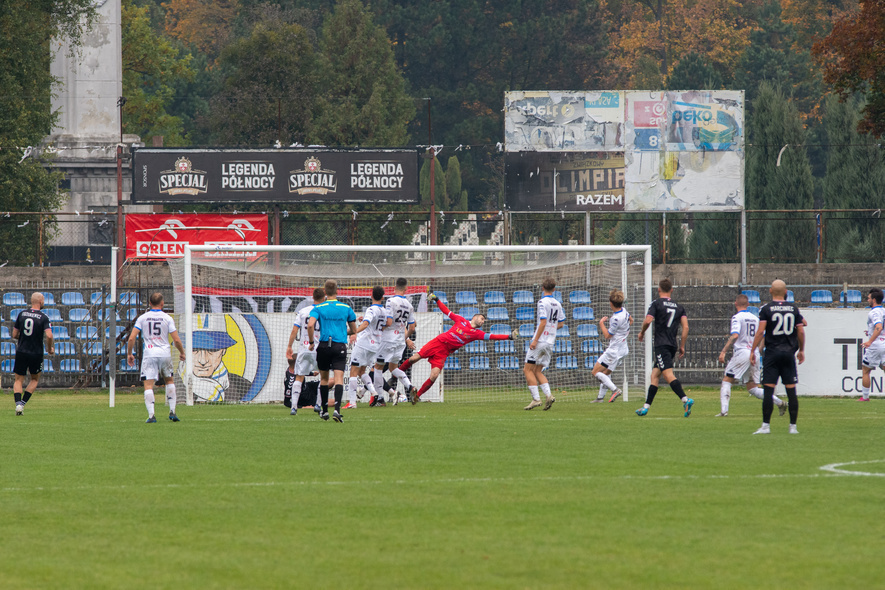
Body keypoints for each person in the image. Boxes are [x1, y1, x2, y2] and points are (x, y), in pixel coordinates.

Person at [398, 291, 513, 403]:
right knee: (414, 359)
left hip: (444, 352)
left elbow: (493, 336)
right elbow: (446, 311)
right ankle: (395, 375)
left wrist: (509, 336)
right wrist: (437, 300)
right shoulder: (461, 320)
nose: (483, 321)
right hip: (438, 342)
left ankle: (416, 396)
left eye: (484, 320)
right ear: (474, 318)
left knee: (434, 376)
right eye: (481, 318)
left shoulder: (477, 333)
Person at [717, 294, 786, 417]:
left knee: (727, 381)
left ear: (735, 304)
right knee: (753, 388)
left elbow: (735, 335)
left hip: (742, 352)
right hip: (753, 353)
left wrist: (723, 351)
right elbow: (763, 336)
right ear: (748, 305)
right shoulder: (755, 318)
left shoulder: (737, 317)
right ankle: (779, 402)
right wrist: (757, 350)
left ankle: (724, 411)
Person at [750, 279, 805, 434]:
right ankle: (793, 427)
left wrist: (753, 350)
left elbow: (761, 332)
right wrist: (801, 350)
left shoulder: (766, 309)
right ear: (786, 292)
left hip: (772, 354)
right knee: (791, 391)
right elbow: (800, 331)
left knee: (768, 390)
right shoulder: (794, 309)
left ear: (770, 291)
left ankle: (766, 426)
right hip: (788, 354)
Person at [636, 278, 693, 417]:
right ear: (671, 290)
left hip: (661, 344)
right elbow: (685, 327)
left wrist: (642, 332)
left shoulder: (656, 303)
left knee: (668, 375)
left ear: (659, 289)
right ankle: (645, 407)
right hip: (672, 344)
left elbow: (648, 320)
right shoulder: (679, 307)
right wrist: (682, 346)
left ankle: (685, 399)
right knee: (655, 375)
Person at [127, 292, 186, 423]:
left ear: (149, 303)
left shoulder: (143, 318)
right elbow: (176, 340)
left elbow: (131, 337)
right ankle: (172, 411)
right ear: (162, 303)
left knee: (148, 385)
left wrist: (130, 353)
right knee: (169, 381)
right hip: (165, 353)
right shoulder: (167, 318)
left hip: (150, 354)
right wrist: (182, 352)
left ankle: (152, 415)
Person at [306, 279, 357, 422]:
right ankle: (337, 410)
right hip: (339, 346)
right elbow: (354, 330)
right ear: (337, 291)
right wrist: (342, 331)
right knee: (339, 378)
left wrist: (311, 342)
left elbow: (310, 325)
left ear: (324, 292)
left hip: (323, 345)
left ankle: (324, 411)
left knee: (323, 378)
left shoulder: (318, 307)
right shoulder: (346, 307)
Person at [374, 277, 417, 405]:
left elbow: (388, 321)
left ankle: (380, 398)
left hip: (388, 339)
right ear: (406, 289)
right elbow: (412, 327)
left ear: (394, 287)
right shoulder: (409, 305)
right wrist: (405, 337)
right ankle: (410, 386)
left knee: (377, 367)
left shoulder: (390, 301)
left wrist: (380, 327)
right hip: (400, 341)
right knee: (394, 368)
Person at [523, 278, 564, 411]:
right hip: (550, 342)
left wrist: (535, 340)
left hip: (540, 341)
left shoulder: (542, 302)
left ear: (542, 288)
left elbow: (543, 322)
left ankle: (536, 399)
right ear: (554, 289)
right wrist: (551, 330)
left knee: (527, 369)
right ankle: (549, 395)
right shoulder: (558, 303)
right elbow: (561, 323)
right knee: (537, 370)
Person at [345, 286, 389, 409]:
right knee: (361, 371)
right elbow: (383, 324)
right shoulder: (384, 311)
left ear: (371, 295)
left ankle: (352, 402)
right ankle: (374, 393)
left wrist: (354, 333)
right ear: (383, 297)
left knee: (353, 371)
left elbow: (366, 324)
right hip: (375, 344)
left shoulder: (371, 309)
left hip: (364, 343)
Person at [11, 293, 54, 416]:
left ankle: (18, 404)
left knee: (18, 379)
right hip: (36, 353)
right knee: (34, 379)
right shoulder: (44, 317)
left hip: (22, 351)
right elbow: (49, 335)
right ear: (40, 301)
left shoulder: (22, 314)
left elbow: (14, 335)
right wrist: (49, 347)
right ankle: (23, 404)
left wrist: (24, 338)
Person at [285, 288, 325, 415]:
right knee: (324, 377)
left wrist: (289, 346)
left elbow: (294, 331)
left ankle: (294, 407)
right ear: (324, 298)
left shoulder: (302, 311)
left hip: (304, 348)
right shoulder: (324, 312)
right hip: (319, 349)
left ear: (312, 297)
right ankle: (318, 405)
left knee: (299, 377)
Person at [589, 289, 633, 404]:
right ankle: (600, 398)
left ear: (611, 303)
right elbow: (631, 321)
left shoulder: (615, 318)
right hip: (623, 350)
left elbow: (608, 335)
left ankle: (615, 390)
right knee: (606, 374)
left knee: (595, 372)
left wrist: (601, 324)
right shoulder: (625, 311)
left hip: (614, 350)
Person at [858, 288, 885, 402]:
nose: (867, 300)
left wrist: (870, 341)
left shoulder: (874, 312)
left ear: (873, 299)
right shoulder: (883, 310)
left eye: (868, 298)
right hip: (884, 342)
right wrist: (870, 332)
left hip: (875, 345)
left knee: (865, 370)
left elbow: (878, 327)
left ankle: (865, 397)